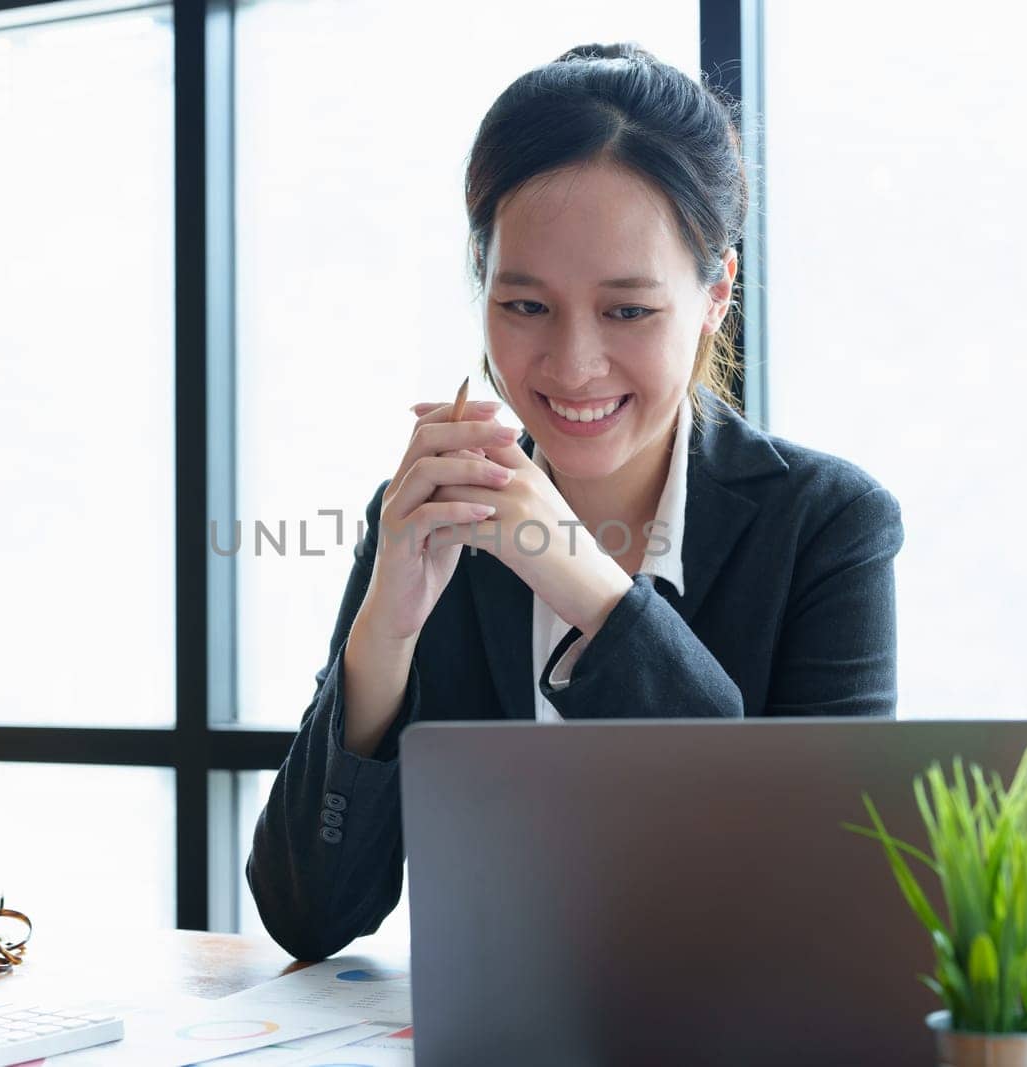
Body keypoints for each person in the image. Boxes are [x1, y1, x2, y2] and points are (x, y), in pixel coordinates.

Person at [247, 42, 905, 962]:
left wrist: (584, 579)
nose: (571, 366)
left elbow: (827, 900)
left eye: (628, 311)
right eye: (525, 306)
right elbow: (305, 915)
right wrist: (380, 645)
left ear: (716, 295)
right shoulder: (434, 511)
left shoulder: (828, 525)